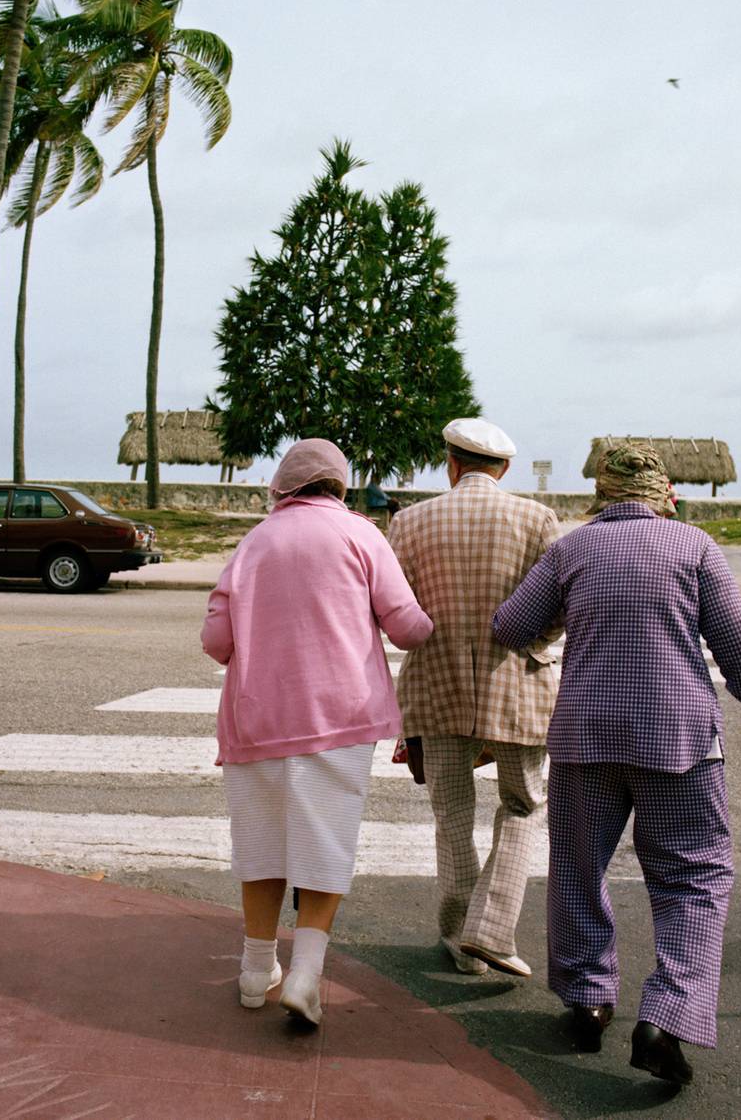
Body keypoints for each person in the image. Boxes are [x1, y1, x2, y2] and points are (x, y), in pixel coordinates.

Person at [492, 443, 741, 1085]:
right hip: (677, 740)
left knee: (578, 866)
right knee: (693, 874)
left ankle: (589, 998)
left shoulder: (570, 549)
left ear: (604, 493)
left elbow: (511, 626)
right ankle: (667, 1016)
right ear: (662, 494)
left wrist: (565, 621)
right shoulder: (696, 548)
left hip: (585, 738)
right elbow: (735, 640)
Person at [201, 438, 432, 1026]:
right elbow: (405, 628)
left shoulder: (253, 542)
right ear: (340, 484)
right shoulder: (361, 535)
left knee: (261, 844)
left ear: (282, 487)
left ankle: (256, 970)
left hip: (258, 719)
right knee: (324, 840)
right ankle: (305, 973)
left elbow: (216, 643)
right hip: (341, 718)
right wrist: (436, 621)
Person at [386, 417, 562, 978]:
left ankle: (462, 940)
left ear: (451, 464)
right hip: (516, 681)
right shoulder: (537, 520)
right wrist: (535, 640)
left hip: (434, 682)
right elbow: (560, 606)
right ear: (504, 468)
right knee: (524, 804)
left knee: (451, 812)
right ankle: (491, 928)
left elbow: (395, 610)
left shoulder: (409, 522)